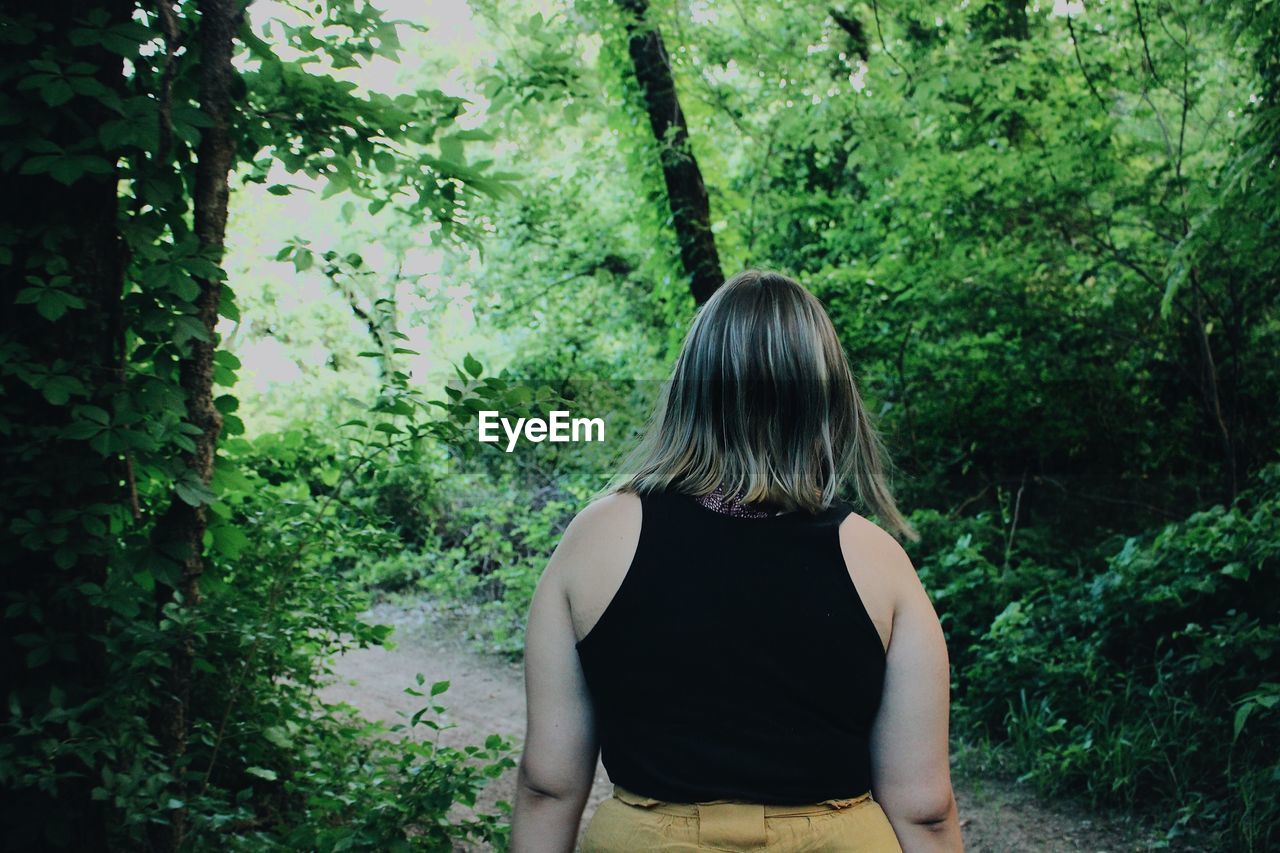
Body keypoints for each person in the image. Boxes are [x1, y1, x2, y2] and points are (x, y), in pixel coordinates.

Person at [510, 270, 964, 852]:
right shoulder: (879, 560)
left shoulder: (595, 538)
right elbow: (924, 807)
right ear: (825, 399)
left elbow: (548, 784)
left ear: (691, 387)